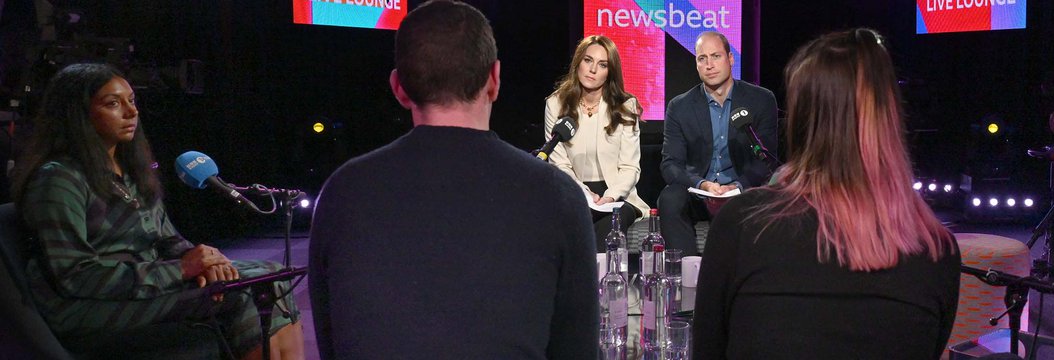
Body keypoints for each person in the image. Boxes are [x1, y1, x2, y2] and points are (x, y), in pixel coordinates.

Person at [307, 1, 597, 359]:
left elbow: (331, 344)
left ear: (398, 87)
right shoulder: (559, 197)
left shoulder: (340, 193)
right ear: (494, 79)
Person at [691, 28, 962, 359]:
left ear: (802, 120)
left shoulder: (741, 224)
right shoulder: (938, 248)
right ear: (890, 116)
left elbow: (706, 350)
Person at [11, 63, 303, 359]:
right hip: (86, 307)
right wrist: (180, 269)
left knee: (272, 276)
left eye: (131, 100)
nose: (131, 112)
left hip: (146, 286)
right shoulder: (59, 179)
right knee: (242, 294)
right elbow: (75, 276)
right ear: (77, 115)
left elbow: (167, 240)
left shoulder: (131, 172)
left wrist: (206, 262)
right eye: (113, 103)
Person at [659, 31, 778, 256]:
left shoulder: (761, 100)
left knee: (763, 195)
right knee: (669, 198)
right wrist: (702, 184)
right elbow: (671, 165)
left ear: (730, 59)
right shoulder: (679, 106)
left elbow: (767, 160)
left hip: (740, 191)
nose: (709, 65)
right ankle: (688, 271)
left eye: (716, 56)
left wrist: (737, 186)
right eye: (702, 59)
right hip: (698, 193)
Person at [543, 35, 648, 245]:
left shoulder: (626, 106)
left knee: (610, 223)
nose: (592, 70)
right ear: (578, 63)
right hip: (575, 190)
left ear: (610, 73)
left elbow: (630, 167)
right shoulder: (555, 104)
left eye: (602, 65)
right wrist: (584, 194)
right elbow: (559, 163)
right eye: (588, 60)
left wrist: (609, 197)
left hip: (617, 195)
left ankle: (603, 278)